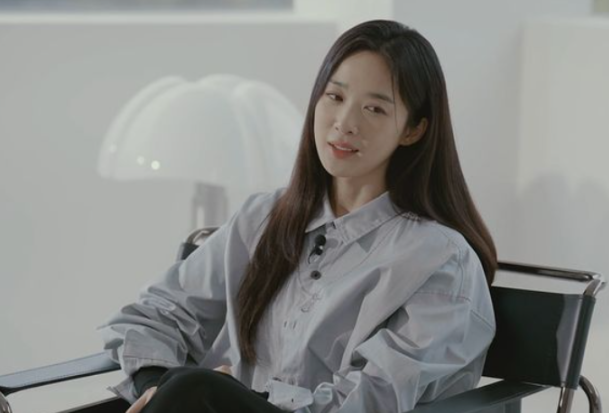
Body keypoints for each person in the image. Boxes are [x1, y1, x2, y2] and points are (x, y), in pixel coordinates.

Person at [98, 19, 497, 413]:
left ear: (413, 129)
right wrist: (155, 385)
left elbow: (373, 400)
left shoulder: (440, 260)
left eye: (374, 108)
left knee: (195, 388)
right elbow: (152, 316)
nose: (345, 123)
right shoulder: (263, 218)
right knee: (189, 388)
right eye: (335, 97)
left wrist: (229, 396)